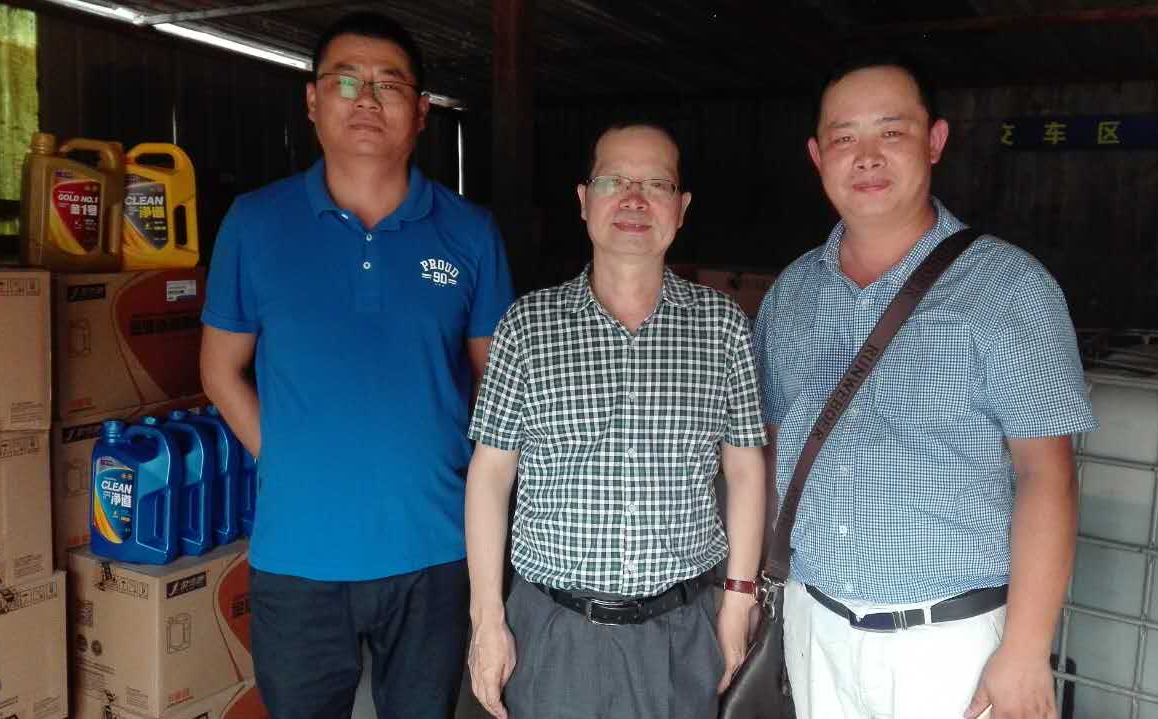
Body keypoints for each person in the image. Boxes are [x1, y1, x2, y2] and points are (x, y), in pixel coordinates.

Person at [754, 55, 1097, 719]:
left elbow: (1047, 475)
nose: (867, 156)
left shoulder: (1008, 287)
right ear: (817, 155)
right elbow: (773, 449)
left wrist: (1026, 649)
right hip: (814, 623)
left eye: (892, 131)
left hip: (950, 642)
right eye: (844, 137)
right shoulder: (792, 291)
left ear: (935, 141)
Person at [199, 12, 514, 718]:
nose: (366, 99)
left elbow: (497, 384)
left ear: (421, 112)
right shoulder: (256, 223)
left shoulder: (469, 233)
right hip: (298, 553)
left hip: (435, 547)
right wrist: (287, 455)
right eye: (346, 81)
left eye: (388, 84)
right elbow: (220, 369)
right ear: (313, 101)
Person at [463, 122, 767, 719]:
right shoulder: (526, 327)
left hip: (681, 632)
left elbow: (746, 469)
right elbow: (491, 475)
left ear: (680, 208)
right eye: (613, 182)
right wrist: (487, 617)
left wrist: (738, 599)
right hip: (553, 631)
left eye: (656, 184)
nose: (633, 199)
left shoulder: (723, 326)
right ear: (584, 201)